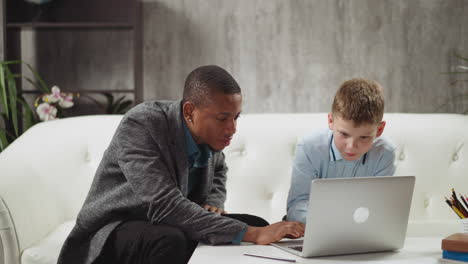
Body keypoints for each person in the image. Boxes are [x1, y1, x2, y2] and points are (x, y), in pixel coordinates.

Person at [58, 65, 305, 264]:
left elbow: (219, 168)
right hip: (113, 230)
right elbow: (165, 206)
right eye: (222, 119)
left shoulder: (209, 136)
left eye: (236, 117)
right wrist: (253, 234)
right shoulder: (142, 124)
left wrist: (214, 202)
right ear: (189, 111)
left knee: (258, 222)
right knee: (170, 240)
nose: (232, 129)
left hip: (170, 223)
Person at [287, 78, 396, 223]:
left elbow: (379, 206)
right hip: (316, 228)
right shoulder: (309, 148)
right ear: (331, 121)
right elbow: (296, 207)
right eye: (344, 134)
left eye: (364, 137)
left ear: (379, 130)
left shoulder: (385, 153)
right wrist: (333, 222)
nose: (351, 146)